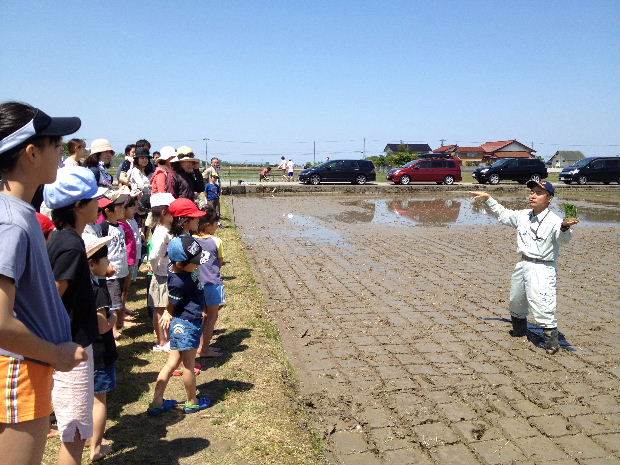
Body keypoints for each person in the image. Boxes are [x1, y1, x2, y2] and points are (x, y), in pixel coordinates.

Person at [0, 101, 87, 465]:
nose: (62, 152)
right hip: (20, 369)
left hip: (27, 365)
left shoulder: (20, 215)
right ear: (32, 153)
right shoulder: (12, 222)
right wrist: (56, 354)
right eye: (56, 144)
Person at [44, 166, 108, 465]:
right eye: (93, 199)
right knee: (75, 433)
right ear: (79, 206)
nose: (99, 204)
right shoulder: (70, 245)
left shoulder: (63, 238)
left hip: (75, 342)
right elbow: (50, 299)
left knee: (76, 429)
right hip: (71, 349)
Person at [470, 181, 579, 354]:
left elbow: (564, 239)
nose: (533, 195)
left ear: (549, 198)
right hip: (522, 263)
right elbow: (503, 214)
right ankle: (519, 329)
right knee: (516, 299)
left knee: (542, 301)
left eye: (538, 193)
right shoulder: (524, 215)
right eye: (532, 191)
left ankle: (552, 340)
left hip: (542, 267)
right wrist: (488, 199)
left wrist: (565, 227)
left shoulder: (555, 221)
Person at [147, 235, 211, 416]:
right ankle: (192, 401)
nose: (198, 264)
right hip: (187, 324)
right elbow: (172, 303)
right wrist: (168, 312)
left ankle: (157, 402)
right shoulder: (179, 281)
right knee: (188, 366)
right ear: (182, 264)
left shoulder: (178, 269)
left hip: (182, 323)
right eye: (195, 262)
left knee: (172, 363)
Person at [83, 236, 117, 462]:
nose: (108, 261)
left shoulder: (77, 287)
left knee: (87, 397)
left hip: (83, 351)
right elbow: (102, 325)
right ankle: (96, 447)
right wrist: (114, 317)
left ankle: (88, 436)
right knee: (99, 400)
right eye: (104, 257)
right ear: (92, 264)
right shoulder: (98, 291)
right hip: (100, 352)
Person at [85, 191, 130, 339]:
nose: (98, 212)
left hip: (115, 268)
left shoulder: (105, 226)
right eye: (97, 209)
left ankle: (115, 325)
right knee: (109, 301)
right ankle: (112, 330)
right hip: (104, 270)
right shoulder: (99, 227)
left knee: (116, 298)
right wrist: (107, 265)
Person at [194, 207, 226, 358]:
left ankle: (199, 345)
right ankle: (205, 349)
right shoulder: (216, 241)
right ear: (208, 224)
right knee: (212, 316)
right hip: (212, 283)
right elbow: (220, 262)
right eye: (215, 223)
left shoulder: (192, 240)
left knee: (201, 315)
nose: (217, 226)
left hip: (197, 284)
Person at [147, 193, 176, 351]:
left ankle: (166, 338)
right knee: (160, 309)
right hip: (161, 275)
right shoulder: (161, 232)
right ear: (165, 212)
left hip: (166, 273)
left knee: (165, 308)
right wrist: (153, 266)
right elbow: (153, 254)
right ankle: (162, 341)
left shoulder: (164, 228)